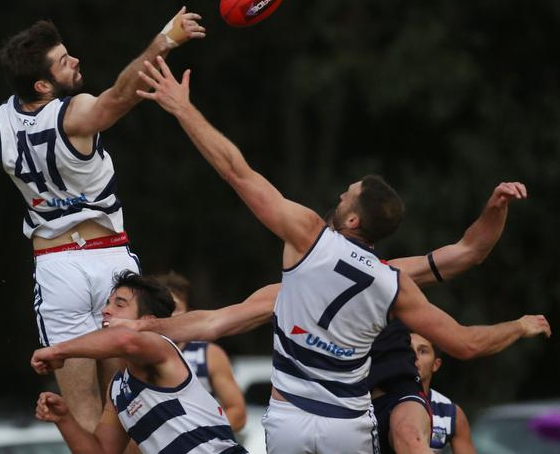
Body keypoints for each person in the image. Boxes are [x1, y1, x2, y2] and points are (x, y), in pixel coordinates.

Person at [131, 57, 551, 454]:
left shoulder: (306, 242)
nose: (339, 195)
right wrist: (516, 323)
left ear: (352, 221)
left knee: (408, 432)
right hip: (346, 424)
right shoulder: (394, 282)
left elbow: (235, 171)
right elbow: (465, 331)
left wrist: (183, 109)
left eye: (346, 195)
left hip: (293, 417)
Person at [0, 10, 206, 432]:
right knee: (131, 399)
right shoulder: (76, 112)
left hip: (56, 269)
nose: (76, 61)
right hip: (111, 263)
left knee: (83, 411)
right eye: (64, 60)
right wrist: (163, 41)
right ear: (42, 86)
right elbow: (122, 94)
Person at [110, 181, 541, 454]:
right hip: (331, 412)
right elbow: (215, 322)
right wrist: (144, 327)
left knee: (411, 440)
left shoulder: (387, 278)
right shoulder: (289, 290)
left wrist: (495, 208)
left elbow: (468, 252)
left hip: (393, 390)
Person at [32, 271, 247, 454]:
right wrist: (64, 419)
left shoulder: (161, 346)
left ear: (148, 322)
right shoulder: (117, 389)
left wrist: (59, 350)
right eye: (108, 302)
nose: (106, 310)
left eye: (120, 304)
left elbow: (125, 341)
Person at [157, 271, 246, 432]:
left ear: (189, 313)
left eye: (174, 307)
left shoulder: (208, 354)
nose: (168, 314)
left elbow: (237, 413)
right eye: (162, 307)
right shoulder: (134, 356)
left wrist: (200, 437)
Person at [410, 333, 477, 453]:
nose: (414, 356)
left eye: (423, 351)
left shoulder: (451, 413)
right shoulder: (374, 401)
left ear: (435, 365)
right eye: (408, 350)